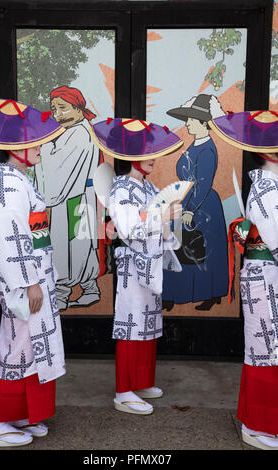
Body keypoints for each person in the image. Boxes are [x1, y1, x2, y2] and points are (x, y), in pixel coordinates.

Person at [0, 98, 66, 447]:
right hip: (24, 277)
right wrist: (28, 282)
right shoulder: (7, 185)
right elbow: (8, 235)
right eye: (35, 141)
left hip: (34, 273)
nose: (40, 146)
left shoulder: (17, 179)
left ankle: (23, 414)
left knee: (31, 343)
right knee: (19, 344)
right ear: (16, 147)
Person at [90, 118, 183, 414]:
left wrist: (170, 217)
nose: (153, 157)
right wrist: (164, 216)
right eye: (147, 152)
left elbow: (156, 218)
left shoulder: (147, 185)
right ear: (130, 157)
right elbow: (129, 227)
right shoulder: (120, 189)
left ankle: (141, 380)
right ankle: (123, 390)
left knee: (149, 322)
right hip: (133, 265)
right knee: (131, 324)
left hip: (151, 261)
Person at [210, 109, 278, 450]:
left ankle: (259, 418)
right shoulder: (267, 190)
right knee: (265, 351)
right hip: (266, 277)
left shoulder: (269, 185)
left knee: (267, 350)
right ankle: (257, 426)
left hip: (268, 275)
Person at [35, 86, 101, 311]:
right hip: (79, 197)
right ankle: (90, 288)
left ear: (79, 109)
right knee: (80, 245)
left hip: (76, 198)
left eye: (62, 108)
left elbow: (57, 168)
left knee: (69, 245)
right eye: (54, 110)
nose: (57, 115)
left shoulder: (80, 134)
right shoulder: (78, 130)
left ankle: (62, 294)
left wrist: (43, 146)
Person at [162, 94, 229, 311]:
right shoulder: (194, 144)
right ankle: (173, 294)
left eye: (191, 120)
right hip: (186, 200)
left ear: (203, 123)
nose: (188, 123)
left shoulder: (208, 148)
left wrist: (190, 210)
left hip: (202, 205)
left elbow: (203, 181)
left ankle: (210, 294)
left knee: (201, 251)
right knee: (179, 247)